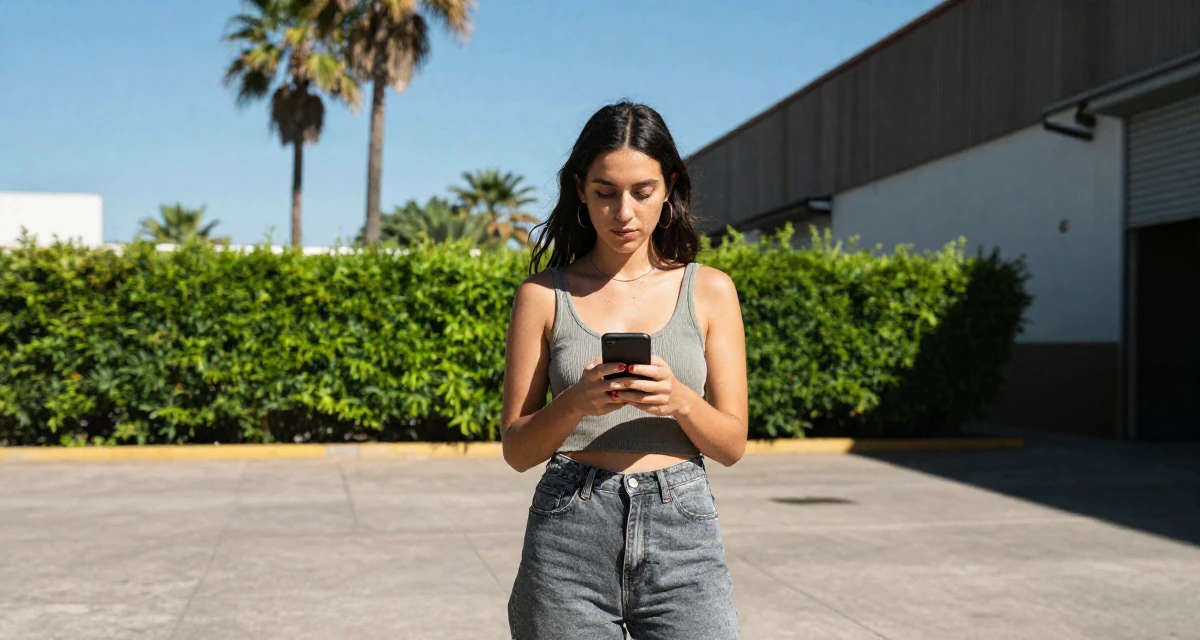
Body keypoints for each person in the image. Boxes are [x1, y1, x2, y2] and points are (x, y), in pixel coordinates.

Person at [501, 100, 748, 640]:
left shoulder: (710, 291)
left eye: (642, 191)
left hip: (683, 531)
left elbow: (731, 445)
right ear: (580, 190)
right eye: (605, 193)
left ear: (669, 187)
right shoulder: (543, 296)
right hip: (568, 532)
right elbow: (517, 450)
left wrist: (680, 400)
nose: (624, 213)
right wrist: (576, 402)